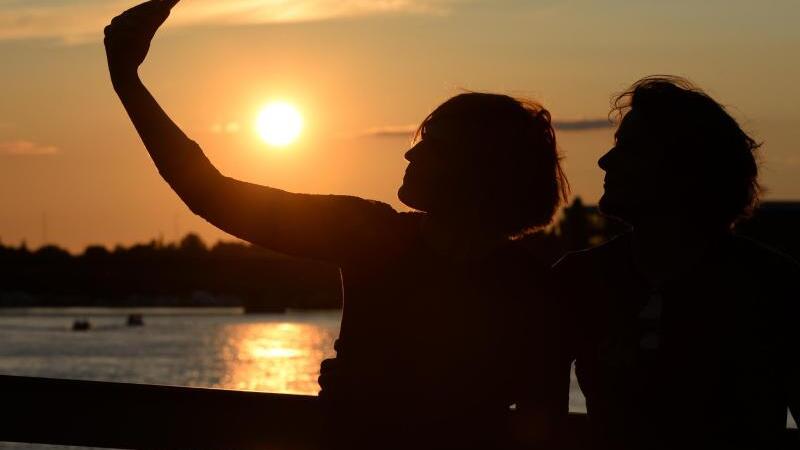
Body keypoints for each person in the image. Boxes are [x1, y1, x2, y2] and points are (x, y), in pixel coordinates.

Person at [103, 1, 569, 448]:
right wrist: (127, 81)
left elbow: (541, 422)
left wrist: (127, 76)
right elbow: (211, 195)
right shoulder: (379, 235)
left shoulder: (515, 282)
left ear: (476, 167)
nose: (411, 153)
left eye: (434, 145)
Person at [553, 76, 800, 449]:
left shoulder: (774, 288)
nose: (605, 160)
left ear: (684, 169)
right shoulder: (577, 280)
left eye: (630, 148)